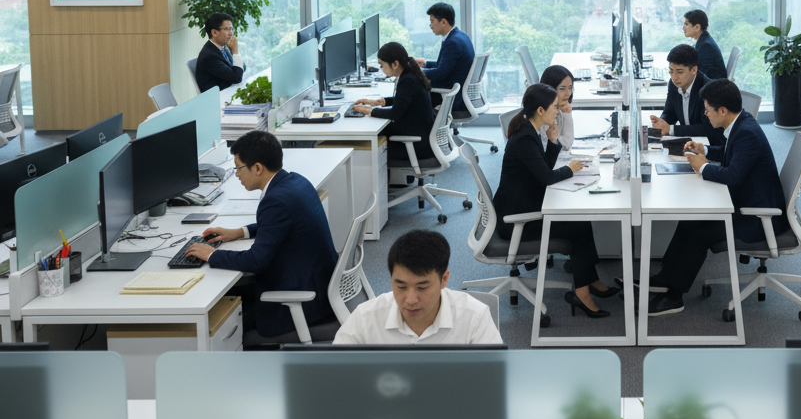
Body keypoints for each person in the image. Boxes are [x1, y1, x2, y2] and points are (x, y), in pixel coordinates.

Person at [642, 79, 787, 317]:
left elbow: (734, 175)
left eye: (708, 110)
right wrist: (705, 150)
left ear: (722, 111)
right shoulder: (740, 124)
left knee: (699, 234)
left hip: (757, 218)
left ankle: (674, 296)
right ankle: (666, 277)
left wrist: (702, 168)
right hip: (745, 202)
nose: (705, 114)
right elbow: (732, 155)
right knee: (689, 220)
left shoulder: (747, 133)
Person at [185, 130, 337, 339]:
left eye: (238, 167)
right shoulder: (295, 181)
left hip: (302, 302)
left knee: (224, 319)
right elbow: (283, 224)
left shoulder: (275, 201)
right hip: (319, 285)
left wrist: (210, 254)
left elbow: (256, 261)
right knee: (235, 292)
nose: (236, 174)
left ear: (257, 168)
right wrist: (240, 232)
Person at [493, 83, 619, 317]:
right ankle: (583, 294)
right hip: (517, 221)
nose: (557, 111)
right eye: (553, 107)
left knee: (581, 223)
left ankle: (590, 281)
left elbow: (542, 169)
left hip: (523, 205)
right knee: (578, 228)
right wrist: (571, 169)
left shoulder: (531, 132)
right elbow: (548, 177)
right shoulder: (525, 139)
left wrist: (552, 141)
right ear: (540, 110)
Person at [334, 229, 503, 345]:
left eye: (422, 287)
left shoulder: (474, 317)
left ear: (444, 279)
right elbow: (333, 375)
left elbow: (495, 381)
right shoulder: (365, 318)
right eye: (401, 287)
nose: (411, 300)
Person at [353, 41, 436, 175]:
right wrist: (379, 102)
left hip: (417, 145)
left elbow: (395, 113)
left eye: (382, 65)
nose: (381, 69)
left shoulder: (407, 80)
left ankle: (384, 190)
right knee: (380, 131)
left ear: (395, 64)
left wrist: (370, 111)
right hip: (421, 136)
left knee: (371, 146)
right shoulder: (410, 74)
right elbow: (404, 100)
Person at [648, 43, 720, 141]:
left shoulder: (709, 90)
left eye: (680, 72)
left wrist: (670, 129)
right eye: (671, 71)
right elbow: (670, 112)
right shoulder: (674, 84)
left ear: (694, 70)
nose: (674, 77)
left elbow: (707, 128)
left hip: (708, 146)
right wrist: (660, 123)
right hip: (688, 142)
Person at [416, 2, 475, 113]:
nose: (430, 25)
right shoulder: (461, 36)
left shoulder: (452, 42)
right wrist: (426, 64)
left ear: (443, 22)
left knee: (412, 85)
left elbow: (440, 73)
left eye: (432, 21)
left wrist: (417, 72)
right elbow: (449, 65)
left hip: (453, 95)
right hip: (458, 88)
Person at [194, 12, 246, 94]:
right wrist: (236, 51)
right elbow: (237, 78)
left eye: (231, 29)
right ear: (214, 32)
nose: (231, 33)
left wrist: (234, 52)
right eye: (226, 29)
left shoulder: (222, 46)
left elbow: (242, 68)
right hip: (217, 99)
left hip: (229, 92)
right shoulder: (209, 56)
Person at [538, 65, 576, 151]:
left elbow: (566, 143)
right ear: (549, 89)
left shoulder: (558, 109)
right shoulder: (542, 114)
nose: (568, 93)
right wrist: (567, 113)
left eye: (570, 88)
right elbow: (566, 144)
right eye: (562, 89)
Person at [683, 9, 727, 80]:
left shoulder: (706, 45)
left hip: (714, 87)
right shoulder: (703, 40)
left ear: (697, 27)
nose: (683, 27)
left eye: (686, 24)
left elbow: (702, 74)